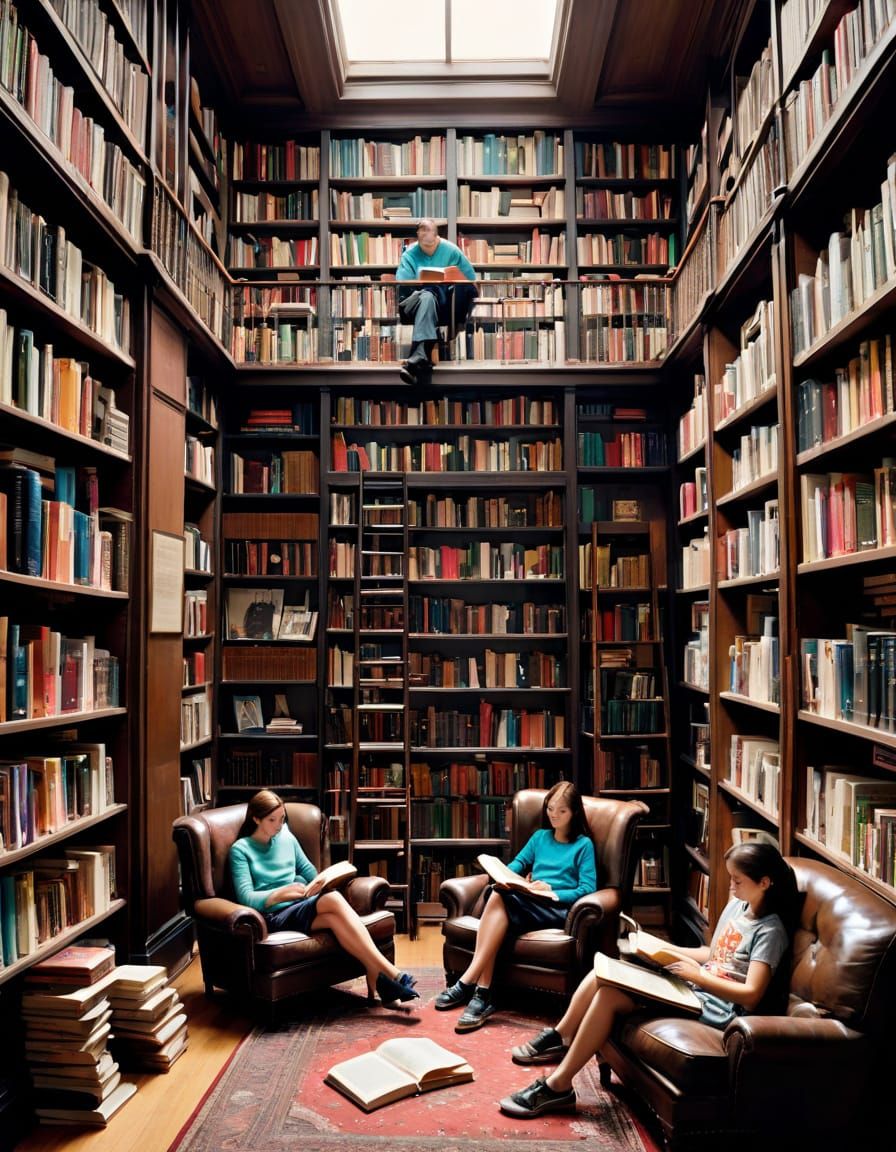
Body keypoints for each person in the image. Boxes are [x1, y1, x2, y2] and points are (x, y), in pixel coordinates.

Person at [500, 840, 799, 1118]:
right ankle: (561, 1038)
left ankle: (558, 1085)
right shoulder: (739, 906)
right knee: (603, 972)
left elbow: (751, 993)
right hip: (694, 988)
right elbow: (712, 953)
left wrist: (699, 978)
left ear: (764, 883)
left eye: (738, 881)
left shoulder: (770, 932)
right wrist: (661, 948)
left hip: (714, 1009)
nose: (731, 888)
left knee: (609, 995)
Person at [228, 790, 419, 1005]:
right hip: (273, 915)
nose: (279, 825)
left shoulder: (286, 836)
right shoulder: (241, 850)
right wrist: (278, 894)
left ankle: (374, 974)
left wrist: (323, 881)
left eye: (282, 818)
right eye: (272, 820)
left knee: (334, 919)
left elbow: (309, 871)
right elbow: (246, 897)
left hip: (300, 905)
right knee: (334, 900)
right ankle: (392, 973)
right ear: (256, 819)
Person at [434, 781, 596, 1033]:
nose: (554, 815)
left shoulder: (583, 845)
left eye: (561, 811)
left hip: (555, 908)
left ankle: (469, 981)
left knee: (497, 898)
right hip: (529, 901)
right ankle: (483, 992)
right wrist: (510, 877)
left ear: (574, 812)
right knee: (497, 891)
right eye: (551, 808)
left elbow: (587, 888)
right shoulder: (540, 837)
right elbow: (518, 864)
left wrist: (552, 890)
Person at [395, 218, 477, 383]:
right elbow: (403, 286)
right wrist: (424, 283)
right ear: (417, 236)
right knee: (427, 294)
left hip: (442, 306)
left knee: (430, 295)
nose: (427, 244)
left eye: (431, 242)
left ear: (437, 235)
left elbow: (471, 281)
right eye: (422, 233)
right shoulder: (409, 254)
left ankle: (418, 357)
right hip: (412, 304)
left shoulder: (451, 251)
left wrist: (450, 280)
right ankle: (420, 356)